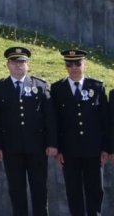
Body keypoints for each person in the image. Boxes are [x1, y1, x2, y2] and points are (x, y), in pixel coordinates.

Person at [0, 47, 57, 216]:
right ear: (7, 65)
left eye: (22, 62)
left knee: (39, 189)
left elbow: (49, 118)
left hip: (37, 148)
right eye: (14, 62)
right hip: (11, 149)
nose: (18, 65)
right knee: (16, 190)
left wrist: (52, 143)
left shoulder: (40, 86)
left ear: (28, 65)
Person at [51, 49, 108, 216]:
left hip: (93, 150)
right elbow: (55, 122)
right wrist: (58, 150)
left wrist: (105, 148)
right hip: (70, 151)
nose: (74, 67)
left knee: (95, 189)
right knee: (73, 190)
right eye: (69, 64)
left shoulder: (96, 86)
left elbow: (104, 121)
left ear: (85, 64)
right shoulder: (57, 88)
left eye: (77, 63)